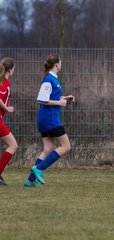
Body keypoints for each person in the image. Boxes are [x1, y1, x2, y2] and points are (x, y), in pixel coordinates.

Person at [24, 53, 75, 187]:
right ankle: (39, 169)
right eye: (61, 62)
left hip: (46, 118)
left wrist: (64, 98)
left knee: (48, 148)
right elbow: (41, 99)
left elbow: (50, 96)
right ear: (56, 65)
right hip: (49, 119)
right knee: (66, 146)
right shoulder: (48, 80)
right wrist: (59, 103)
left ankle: (30, 180)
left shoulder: (53, 79)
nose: (61, 64)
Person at [0, 57, 18, 185]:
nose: (14, 72)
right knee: (13, 145)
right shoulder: (5, 83)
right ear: (9, 69)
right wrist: (6, 107)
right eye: (14, 69)